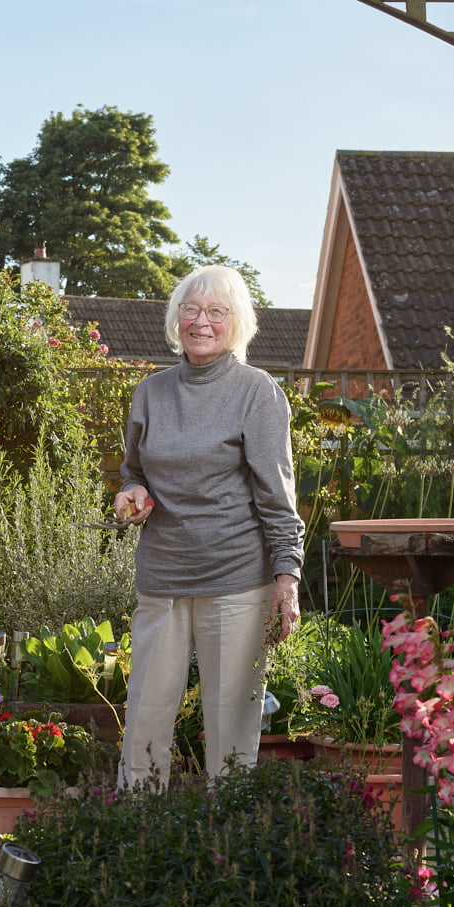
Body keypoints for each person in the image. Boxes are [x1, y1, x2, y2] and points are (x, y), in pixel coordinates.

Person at [114, 264, 304, 788]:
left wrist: (286, 578)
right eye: (191, 310)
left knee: (231, 724)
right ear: (177, 320)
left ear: (235, 322)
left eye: (216, 312)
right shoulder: (150, 392)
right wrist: (130, 495)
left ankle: (230, 839)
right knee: (145, 716)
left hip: (237, 578)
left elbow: (277, 494)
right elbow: (134, 472)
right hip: (163, 577)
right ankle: (134, 829)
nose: (201, 322)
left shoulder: (256, 393)